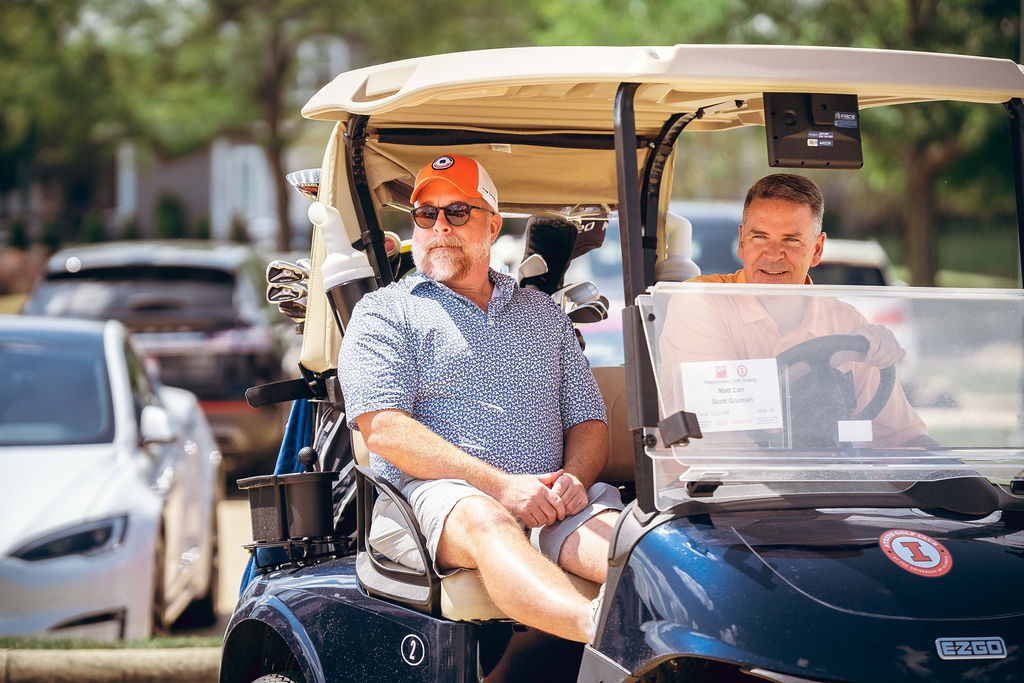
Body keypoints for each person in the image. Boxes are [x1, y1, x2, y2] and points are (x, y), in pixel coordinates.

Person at [337, 153, 622, 643]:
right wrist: (502, 487)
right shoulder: (385, 311)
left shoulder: (543, 314)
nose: (439, 226)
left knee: (634, 544)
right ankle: (603, 635)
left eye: (457, 212)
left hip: (552, 500)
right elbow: (382, 429)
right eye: (426, 214)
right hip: (436, 499)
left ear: (492, 227)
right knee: (487, 520)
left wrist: (575, 478)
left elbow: (589, 421)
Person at [660, 173, 933, 448]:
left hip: (822, 481)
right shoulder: (700, 301)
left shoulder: (845, 321)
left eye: (790, 240)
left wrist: (954, 474)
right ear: (742, 241)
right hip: (716, 485)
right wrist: (831, 366)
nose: (774, 253)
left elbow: (901, 435)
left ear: (817, 249)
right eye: (760, 237)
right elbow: (724, 419)